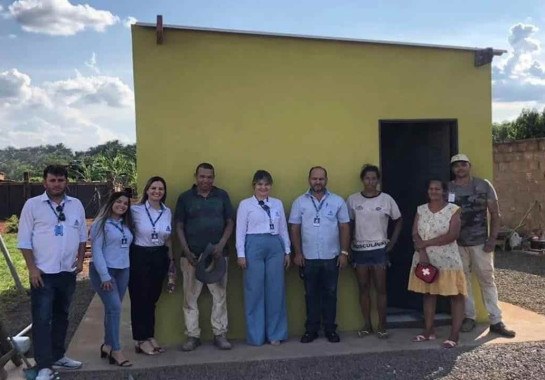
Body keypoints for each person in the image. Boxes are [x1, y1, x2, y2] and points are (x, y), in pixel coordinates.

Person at [17, 165, 86, 380]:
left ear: (67, 182)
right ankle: (44, 365)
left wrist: (80, 260)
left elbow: (82, 235)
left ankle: (58, 355)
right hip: (43, 273)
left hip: (66, 272)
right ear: (45, 182)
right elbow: (24, 240)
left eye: (61, 180)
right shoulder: (32, 205)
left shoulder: (76, 205)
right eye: (53, 180)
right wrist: (32, 268)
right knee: (42, 318)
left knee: (62, 316)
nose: (57, 184)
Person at [448, 153, 515, 337]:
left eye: (463, 164)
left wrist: (492, 239)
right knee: (464, 282)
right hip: (457, 244)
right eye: (456, 165)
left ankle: (496, 320)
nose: (460, 168)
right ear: (452, 169)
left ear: (469, 166)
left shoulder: (483, 185)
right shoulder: (448, 188)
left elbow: (495, 214)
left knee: (487, 280)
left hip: (480, 243)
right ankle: (469, 317)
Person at [175, 163, 235, 351]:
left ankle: (220, 334)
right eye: (202, 176)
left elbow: (230, 222)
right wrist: (186, 250)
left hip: (217, 256)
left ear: (213, 178)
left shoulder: (222, 196)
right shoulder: (185, 198)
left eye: (209, 177)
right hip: (192, 257)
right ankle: (193, 336)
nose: (205, 180)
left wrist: (221, 244)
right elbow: (179, 225)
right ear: (196, 176)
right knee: (190, 298)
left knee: (219, 297)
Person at [289, 166, 350, 343]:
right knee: (310, 295)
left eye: (321, 179)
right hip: (307, 258)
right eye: (314, 179)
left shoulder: (337, 201)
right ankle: (311, 330)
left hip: (331, 257)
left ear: (326, 180)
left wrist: (344, 253)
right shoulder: (300, 202)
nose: (318, 182)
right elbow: (294, 228)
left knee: (330, 294)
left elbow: (345, 227)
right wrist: (297, 253)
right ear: (309, 180)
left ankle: (330, 329)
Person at [408, 179, 466, 348]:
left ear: (443, 191)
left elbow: (452, 235)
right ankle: (428, 330)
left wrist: (425, 244)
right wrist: (422, 252)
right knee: (428, 293)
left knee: (456, 295)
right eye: (431, 188)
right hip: (425, 259)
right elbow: (414, 233)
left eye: (437, 188)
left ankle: (454, 335)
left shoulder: (453, 210)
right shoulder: (421, 210)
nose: (434, 191)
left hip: (448, 261)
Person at [346, 164, 402, 339]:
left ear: (378, 180)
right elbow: (348, 224)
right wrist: (347, 248)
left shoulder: (386, 199)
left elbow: (398, 220)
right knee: (363, 288)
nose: (371, 182)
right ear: (362, 180)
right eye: (367, 178)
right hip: (359, 250)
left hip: (379, 251)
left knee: (381, 289)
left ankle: (382, 326)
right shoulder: (353, 200)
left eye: (374, 178)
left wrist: (391, 244)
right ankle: (367, 325)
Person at [236, 170, 291, 346]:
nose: (263, 187)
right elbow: (240, 232)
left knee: (276, 290)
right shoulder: (245, 205)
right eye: (260, 184)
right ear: (254, 186)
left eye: (266, 184)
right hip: (253, 246)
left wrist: (287, 251)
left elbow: (283, 228)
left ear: (270, 186)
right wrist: (241, 254)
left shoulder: (277, 204)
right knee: (254, 291)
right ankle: (256, 335)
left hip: (275, 245)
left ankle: (275, 333)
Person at [129, 176, 173, 355]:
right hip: (140, 256)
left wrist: (171, 263)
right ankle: (140, 339)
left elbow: (168, 239)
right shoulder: (135, 210)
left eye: (160, 189)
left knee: (152, 298)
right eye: (153, 188)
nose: (157, 192)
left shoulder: (167, 211)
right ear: (147, 190)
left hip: (159, 256)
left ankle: (149, 335)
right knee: (140, 299)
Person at [89, 191, 134, 366]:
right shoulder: (100, 223)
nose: (122, 205)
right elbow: (97, 250)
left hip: (123, 270)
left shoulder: (125, 224)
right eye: (119, 202)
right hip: (104, 271)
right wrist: (104, 276)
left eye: (125, 204)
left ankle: (107, 344)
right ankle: (116, 350)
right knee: (115, 308)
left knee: (111, 309)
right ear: (111, 202)